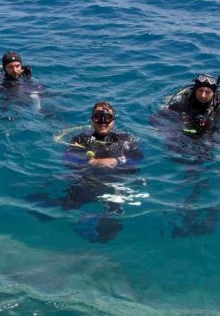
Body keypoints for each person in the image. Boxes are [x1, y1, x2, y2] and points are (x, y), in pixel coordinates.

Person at [28, 102, 144, 243]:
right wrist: (91, 162)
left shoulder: (125, 139)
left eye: (107, 117)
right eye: (98, 117)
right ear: (92, 119)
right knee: (43, 207)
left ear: (113, 120)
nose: (103, 122)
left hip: (115, 184)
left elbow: (138, 158)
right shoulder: (81, 139)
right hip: (87, 183)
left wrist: (116, 161)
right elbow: (68, 157)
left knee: (108, 233)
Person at [165, 70, 220, 142]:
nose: (203, 95)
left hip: (207, 129)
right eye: (200, 91)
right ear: (195, 90)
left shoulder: (217, 109)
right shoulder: (182, 104)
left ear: (213, 93)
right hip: (185, 127)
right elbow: (159, 116)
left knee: (212, 140)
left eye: (207, 92)